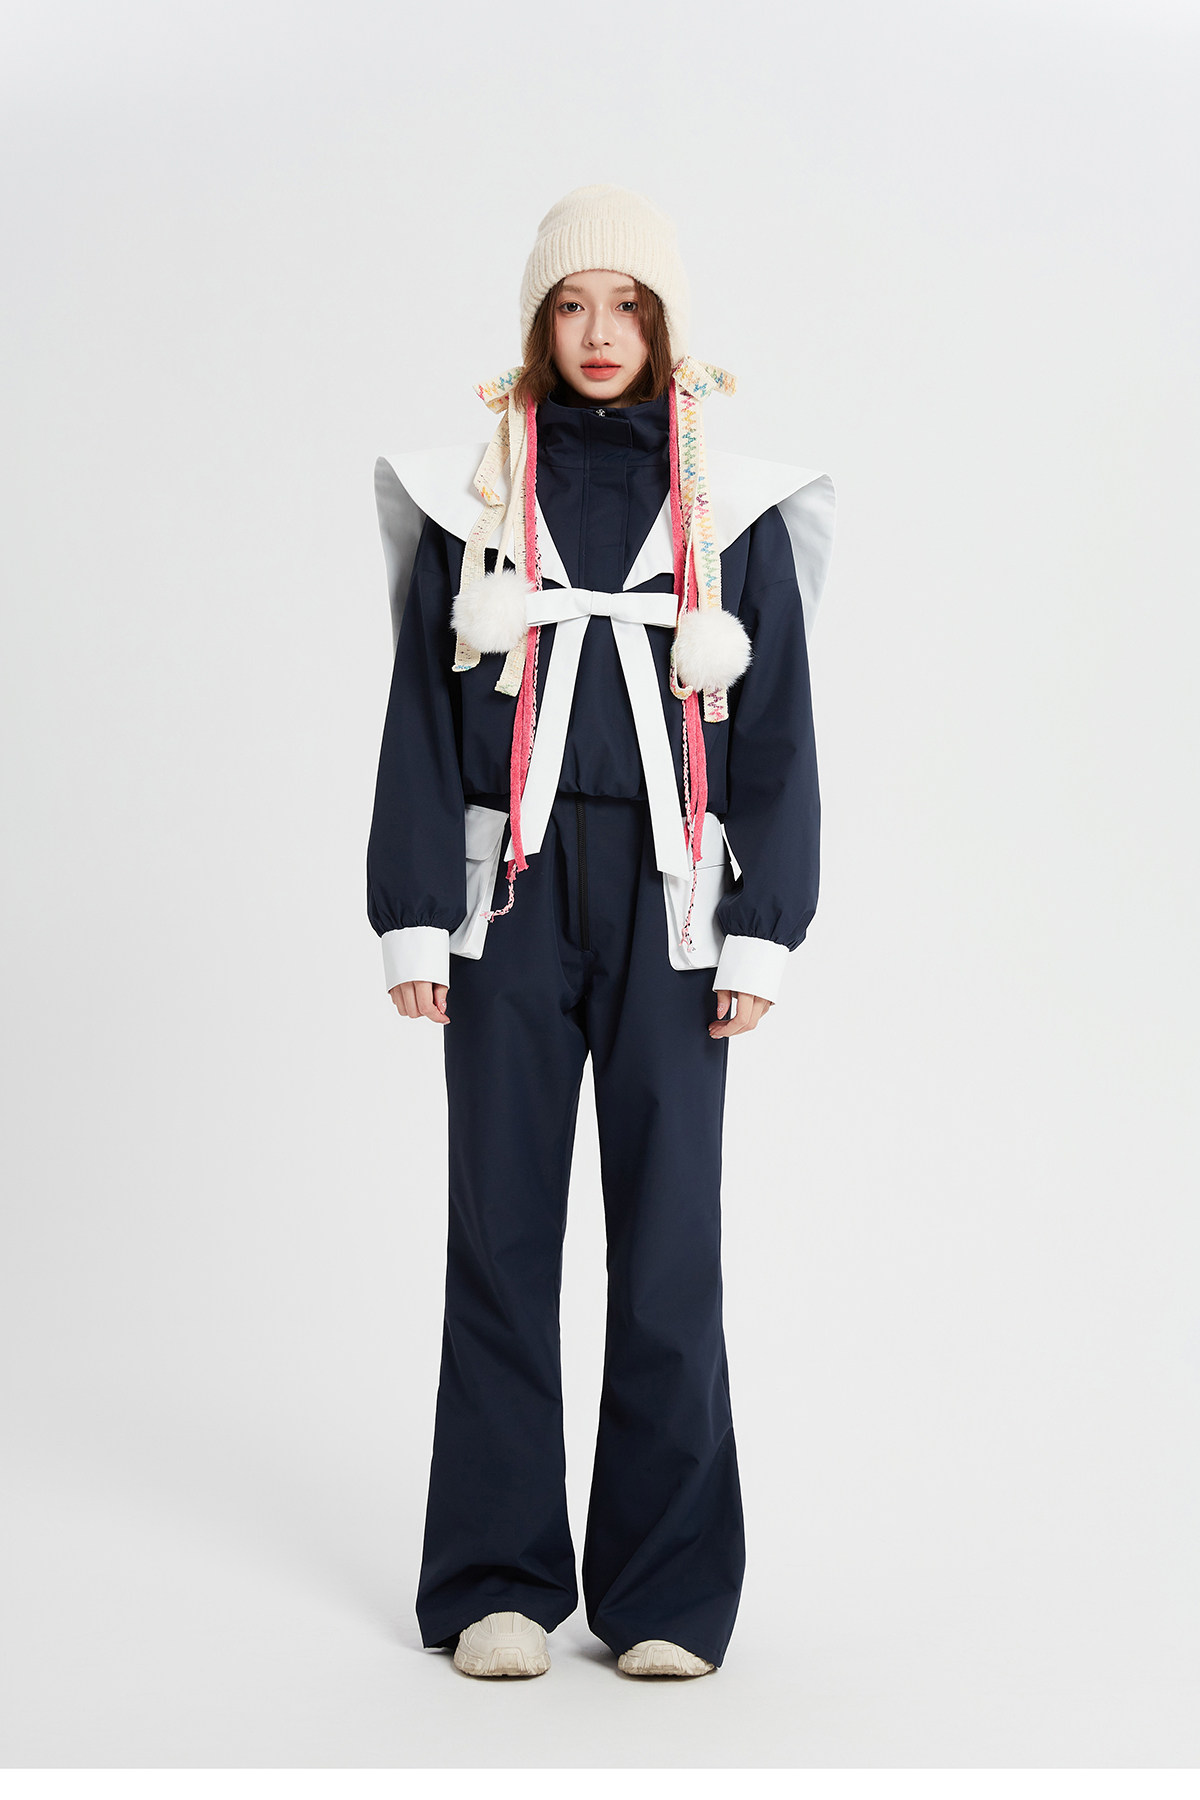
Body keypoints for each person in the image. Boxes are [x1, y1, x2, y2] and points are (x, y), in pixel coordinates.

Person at [367, 184, 836, 1680]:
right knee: (499, 1237)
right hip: (507, 895)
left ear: (669, 326)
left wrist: (761, 933)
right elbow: (420, 715)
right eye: (572, 305)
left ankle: (667, 1592)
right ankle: (494, 1583)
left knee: (672, 1243)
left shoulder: (733, 513)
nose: (599, 332)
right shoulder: (477, 502)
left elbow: (778, 733)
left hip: (670, 904)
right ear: (536, 324)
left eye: (627, 306)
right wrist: (416, 921)